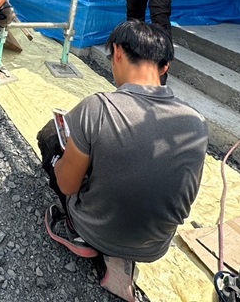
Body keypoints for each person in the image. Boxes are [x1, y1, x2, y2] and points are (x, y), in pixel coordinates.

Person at [37, 20, 208, 300]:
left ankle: (76, 229)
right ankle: (121, 258)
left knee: (50, 136)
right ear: (165, 67)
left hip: (97, 230)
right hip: (154, 245)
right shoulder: (196, 123)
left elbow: (67, 185)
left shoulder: (97, 107)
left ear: (117, 52)